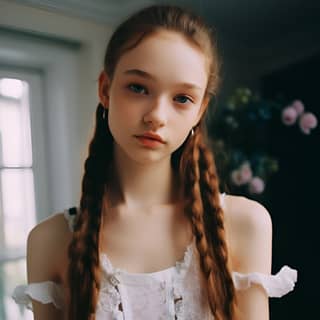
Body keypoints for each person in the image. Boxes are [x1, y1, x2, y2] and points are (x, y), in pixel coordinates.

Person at [12, 4, 297, 320]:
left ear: (200, 111)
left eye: (182, 98)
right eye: (138, 88)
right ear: (105, 90)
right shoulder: (50, 241)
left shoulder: (246, 224)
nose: (157, 116)